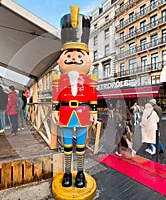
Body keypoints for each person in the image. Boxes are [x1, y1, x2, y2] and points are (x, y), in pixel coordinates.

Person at [51, 6, 97, 188]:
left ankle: (80, 173)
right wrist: (55, 109)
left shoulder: (89, 79)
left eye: (79, 55)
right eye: (68, 55)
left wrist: (93, 111)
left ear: (88, 59)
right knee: (67, 145)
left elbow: (93, 97)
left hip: (84, 111)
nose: (73, 58)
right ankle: (68, 173)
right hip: (65, 112)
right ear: (61, 59)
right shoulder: (59, 79)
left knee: (81, 147)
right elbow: (56, 97)